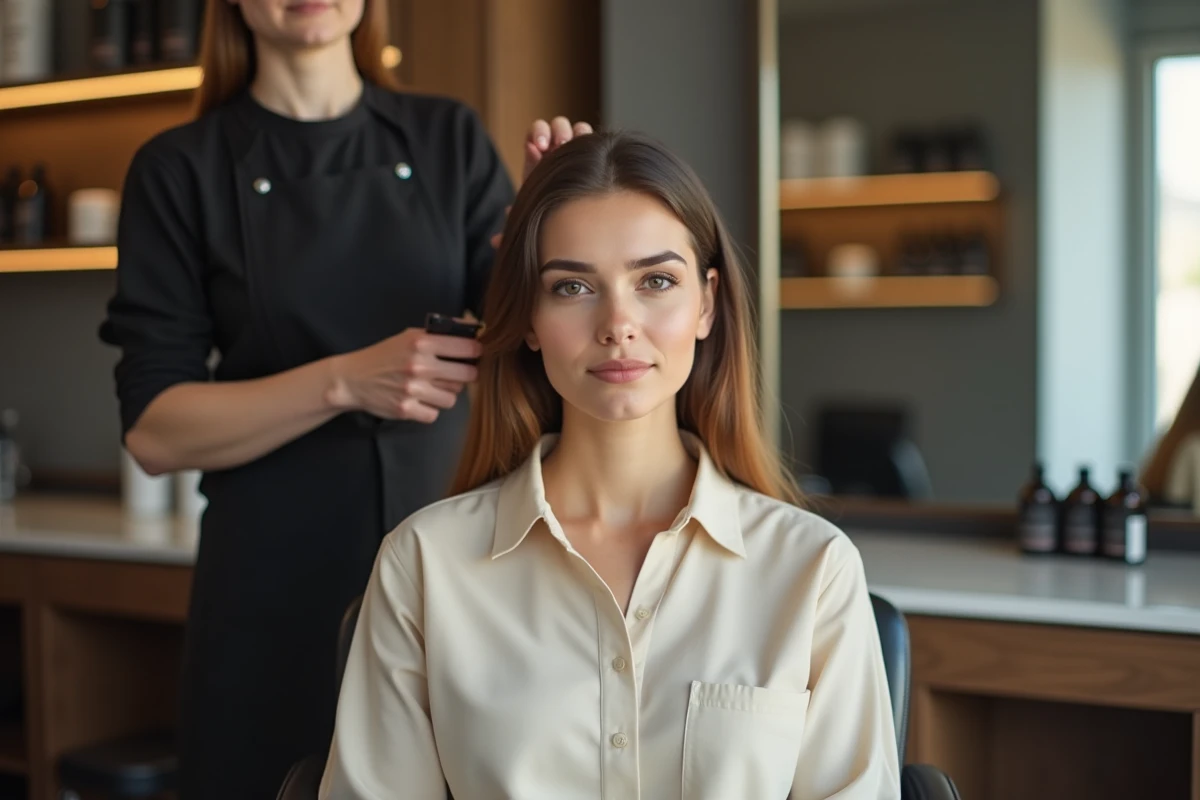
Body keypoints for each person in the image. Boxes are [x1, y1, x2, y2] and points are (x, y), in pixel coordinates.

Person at [97, 1, 589, 796]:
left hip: (454, 553)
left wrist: (551, 226)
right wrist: (343, 382)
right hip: (270, 583)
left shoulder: (446, 138)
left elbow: (525, 336)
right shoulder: (178, 168)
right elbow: (155, 430)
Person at [320, 131, 901, 799]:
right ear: (530, 318)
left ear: (707, 302)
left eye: (655, 281)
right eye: (572, 286)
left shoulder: (811, 568)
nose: (618, 324)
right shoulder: (424, 564)